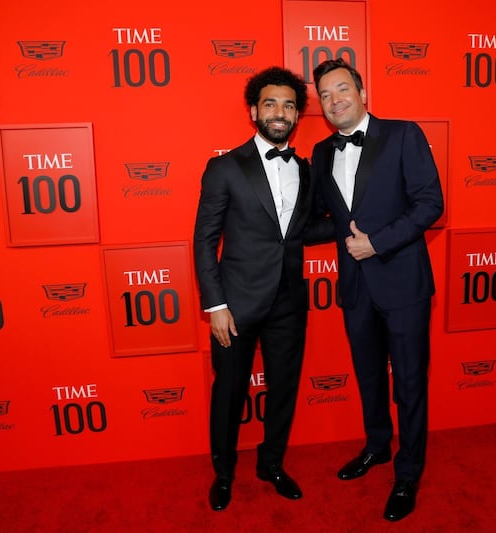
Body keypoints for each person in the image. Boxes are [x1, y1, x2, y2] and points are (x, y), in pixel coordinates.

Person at [310, 58, 444, 522]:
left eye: (342, 89)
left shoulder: (404, 134)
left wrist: (378, 243)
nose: (334, 100)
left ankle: (407, 473)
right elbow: (325, 220)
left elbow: (432, 203)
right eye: (325, 95)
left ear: (363, 92)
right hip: (355, 286)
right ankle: (377, 447)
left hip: (403, 282)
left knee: (408, 382)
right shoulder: (321, 153)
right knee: (370, 377)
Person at [193, 66, 313, 512]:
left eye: (288, 105)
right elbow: (205, 239)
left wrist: (360, 229)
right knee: (229, 391)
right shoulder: (225, 167)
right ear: (253, 111)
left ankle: (272, 464)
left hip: (288, 301)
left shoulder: (305, 168)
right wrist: (216, 305)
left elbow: (299, 231)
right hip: (236, 303)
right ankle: (224, 472)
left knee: (283, 387)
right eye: (270, 103)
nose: (279, 112)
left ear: (297, 115)